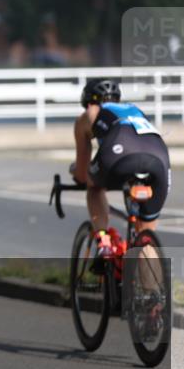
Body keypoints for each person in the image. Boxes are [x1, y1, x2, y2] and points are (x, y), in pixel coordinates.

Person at [72, 78, 171, 258]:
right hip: (160, 158)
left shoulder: (91, 112)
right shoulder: (135, 110)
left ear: (88, 101)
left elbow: (81, 170)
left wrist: (78, 174)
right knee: (145, 238)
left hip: (119, 152)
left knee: (94, 187)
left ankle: (104, 241)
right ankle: (152, 285)